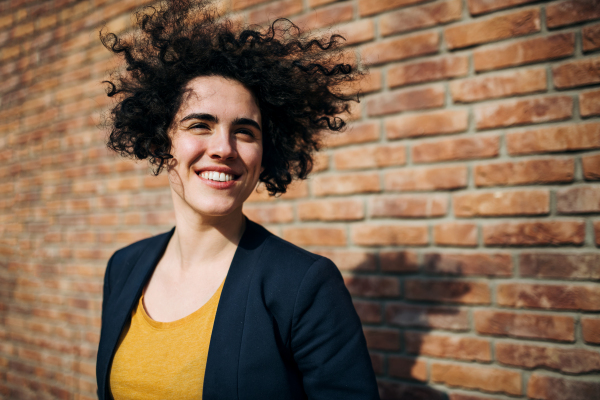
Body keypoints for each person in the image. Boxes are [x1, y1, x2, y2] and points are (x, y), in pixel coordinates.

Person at [95, 0, 379, 399]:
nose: (224, 148)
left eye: (245, 131)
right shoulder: (122, 268)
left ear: (265, 154)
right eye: (200, 124)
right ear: (163, 142)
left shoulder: (304, 285)